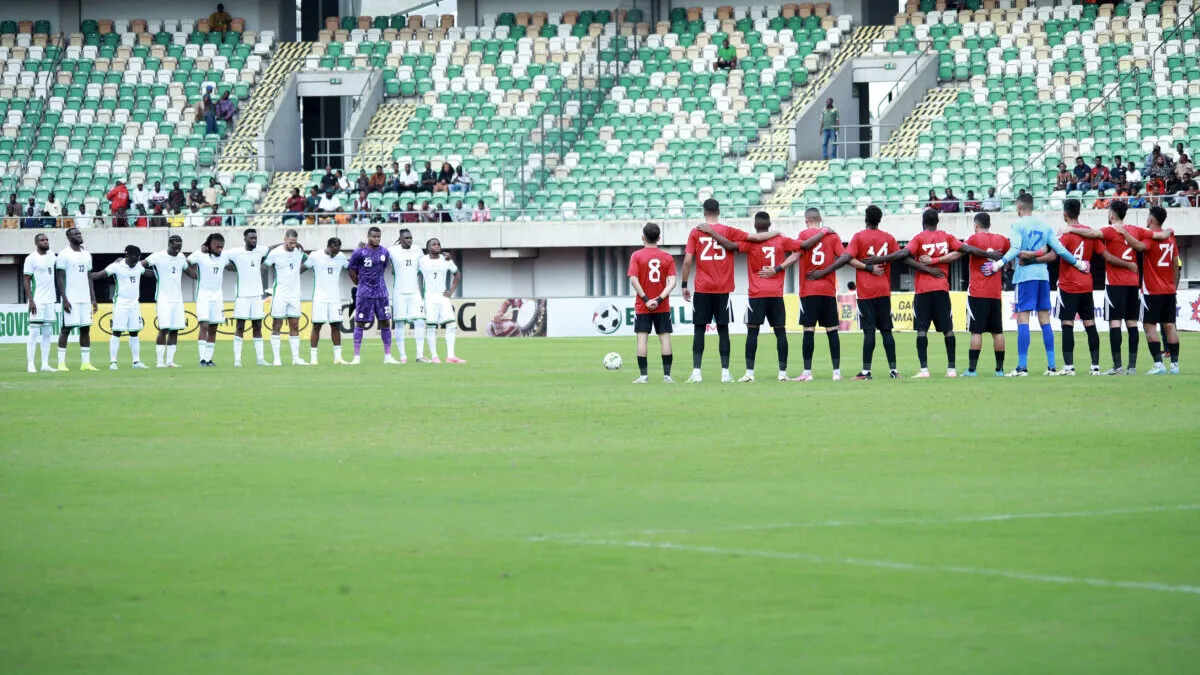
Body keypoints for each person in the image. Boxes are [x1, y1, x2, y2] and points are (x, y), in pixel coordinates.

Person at [986, 193, 1086, 376]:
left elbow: (1015, 249)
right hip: (1043, 276)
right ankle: (1052, 366)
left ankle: (1022, 367)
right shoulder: (1045, 226)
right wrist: (1078, 263)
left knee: (1022, 319)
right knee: (1045, 320)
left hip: (1025, 277)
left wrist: (997, 264)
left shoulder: (1017, 225)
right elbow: (1060, 250)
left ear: (1019, 206)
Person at [1064, 201, 1168, 374]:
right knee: (1132, 324)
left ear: (1112, 215)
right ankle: (1132, 367)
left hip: (1115, 283)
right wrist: (1169, 231)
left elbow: (1091, 233)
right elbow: (1159, 235)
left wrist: (1071, 229)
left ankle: (1117, 366)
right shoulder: (1135, 229)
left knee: (1115, 324)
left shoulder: (1109, 230)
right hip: (1133, 283)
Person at [866, 209, 958, 378]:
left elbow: (903, 254)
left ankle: (924, 370)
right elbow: (963, 249)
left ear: (923, 222)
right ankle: (951, 369)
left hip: (923, 291)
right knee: (948, 330)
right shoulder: (947, 237)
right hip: (942, 288)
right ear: (937, 222)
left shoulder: (919, 238)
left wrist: (878, 259)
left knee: (922, 329)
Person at [679, 198, 757, 383]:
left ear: (704, 212)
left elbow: (688, 260)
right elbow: (752, 238)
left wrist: (684, 284)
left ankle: (697, 373)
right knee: (723, 330)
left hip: (703, 288)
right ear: (719, 212)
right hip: (723, 288)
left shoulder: (696, 231)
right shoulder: (728, 231)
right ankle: (725, 373)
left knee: (699, 329)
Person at [714, 212, 799, 382]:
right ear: (769, 225)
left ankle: (749, 374)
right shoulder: (782, 240)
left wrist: (712, 233)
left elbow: (730, 246)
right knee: (780, 332)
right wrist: (779, 268)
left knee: (752, 332)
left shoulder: (750, 243)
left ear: (755, 225)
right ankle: (782, 373)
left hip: (757, 293)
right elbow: (799, 251)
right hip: (776, 293)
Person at [776, 208, 849, 381]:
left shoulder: (804, 234)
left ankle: (807, 372)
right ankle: (836, 372)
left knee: (808, 330)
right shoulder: (832, 236)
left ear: (806, 220)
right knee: (832, 331)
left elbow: (795, 256)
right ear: (820, 219)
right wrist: (826, 271)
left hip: (809, 290)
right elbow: (844, 257)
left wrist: (778, 268)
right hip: (828, 290)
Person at [1045, 199, 1105, 375]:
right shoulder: (1089, 233)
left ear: (1065, 214)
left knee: (1067, 324)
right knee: (1090, 324)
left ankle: (1069, 367)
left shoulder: (1065, 234)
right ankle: (1095, 367)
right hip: (1086, 284)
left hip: (1068, 286)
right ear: (1079, 212)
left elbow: (1054, 254)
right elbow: (1102, 253)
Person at [844, 205, 902, 379]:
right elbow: (899, 256)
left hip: (866, 292)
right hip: (884, 290)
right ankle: (893, 371)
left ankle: (866, 372)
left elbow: (849, 259)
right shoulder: (888, 238)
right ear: (879, 219)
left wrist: (868, 267)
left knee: (869, 332)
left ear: (865, 218)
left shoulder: (859, 237)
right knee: (886, 331)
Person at [958, 213, 1009, 376]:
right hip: (995, 293)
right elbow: (1010, 255)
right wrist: (1003, 266)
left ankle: (972, 370)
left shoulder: (973, 239)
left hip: (978, 292)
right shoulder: (1001, 240)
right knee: (998, 332)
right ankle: (999, 370)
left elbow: (961, 249)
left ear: (976, 225)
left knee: (976, 332)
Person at [628, 222, 677, 383]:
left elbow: (633, 279)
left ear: (643, 237)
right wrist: (659, 299)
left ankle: (643, 376)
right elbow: (672, 282)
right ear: (659, 238)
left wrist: (647, 300)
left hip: (643, 306)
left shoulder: (636, 256)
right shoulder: (667, 257)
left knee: (642, 338)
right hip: (662, 306)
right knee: (665, 338)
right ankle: (667, 376)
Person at [92, 245, 148, 370]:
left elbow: (147, 273)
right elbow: (100, 275)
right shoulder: (116, 266)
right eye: (133, 259)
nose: (135, 262)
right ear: (126, 256)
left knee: (134, 333)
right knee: (116, 332)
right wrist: (85, 276)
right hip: (121, 305)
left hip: (134, 305)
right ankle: (113, 362)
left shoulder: (138, 266)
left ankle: (136, 362)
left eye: (137, 259)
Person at [1139, 206, 1180, 375]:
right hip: (1169, 290)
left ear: (1151, 220)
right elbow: (1175, 264)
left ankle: (1158, 364)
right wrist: (1173, 287)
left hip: (1152, 291)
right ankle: (1175, 365)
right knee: (1170, 326)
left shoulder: (1149, 239)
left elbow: (1137, 246)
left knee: (1149, 326)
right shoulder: (1171, 239)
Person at [347, 226, 397, 364]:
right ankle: (356, 357)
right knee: (360, 322)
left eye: (378, 237)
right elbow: (351, 269)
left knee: (385, 321)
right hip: (364, 293)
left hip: (381, 292)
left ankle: (388, 356)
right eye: (374, 236)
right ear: (368, 236)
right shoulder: (360, 252)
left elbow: (383, 267)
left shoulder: (384, 252)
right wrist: (358, 283)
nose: (376, 239)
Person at [54, 227, 97, 371]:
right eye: (75, 234)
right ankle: (61, 363)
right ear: (69, 237)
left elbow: (89, 276)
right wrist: (64, 298)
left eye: (79, 233)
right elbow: (59, 277)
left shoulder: (87, 254)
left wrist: (93, 299)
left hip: (85, 298)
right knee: (66, 329)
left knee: (85, 329)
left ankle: (85, 363)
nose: (79, 235)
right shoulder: (64, 254)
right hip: (71, 298)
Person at [226, 229, 270, 367]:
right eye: (251, 238)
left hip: (256, 295)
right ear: (244, 239)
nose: (254, 240)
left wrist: (287, 243)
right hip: (242, 296)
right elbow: (221, 256)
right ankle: (237, 360)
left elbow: (272, 248)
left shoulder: (261, 250)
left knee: (257, 327)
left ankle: (260, 359)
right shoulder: (235, 252)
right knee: (240, 327)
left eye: (255, 238)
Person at [264, 229, 309, 366]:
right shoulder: (275, 253)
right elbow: (264, 267)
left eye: (295, 243)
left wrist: (298, 271)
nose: (293, 245)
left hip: (295, 294)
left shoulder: (299, 251)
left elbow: (308, 262)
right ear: (285, 239)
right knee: (276, 325)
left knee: (295, 325)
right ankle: (276, 359)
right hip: (280, 294)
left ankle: (296, 358)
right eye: (290, 243)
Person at [142, 235, 187, 367]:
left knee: (175, 330)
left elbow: (190, 272)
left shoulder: (181, 257)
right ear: (169, 244)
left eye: (179, 247)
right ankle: (160, 362)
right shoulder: (157, 256)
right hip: (163, 299)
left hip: (178, 300)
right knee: (164, 329)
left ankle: (170, 361)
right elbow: (141, 265)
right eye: (175, 246)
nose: (177, 249)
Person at [418, 238, 464, 364]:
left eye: (438, 244)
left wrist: (451, 291)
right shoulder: (422, 261)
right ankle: (434, 356)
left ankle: (451, 356)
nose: (437, 246)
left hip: (443, 297)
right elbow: (414, 274)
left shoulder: (446, 259)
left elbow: (457, 274)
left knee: (452, 325)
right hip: (430, 298)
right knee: (431, 327)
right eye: (434, 244)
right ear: (428, 248)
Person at [187, 232, 230, 366]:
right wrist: (193, 274)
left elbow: (233, 265)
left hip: (218, 296)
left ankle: (209, 359)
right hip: (203, 296)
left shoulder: (224, 257)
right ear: (210, 245)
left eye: (222, 247)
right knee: (204, 326)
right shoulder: (199, 254)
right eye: (217, 247)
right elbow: (185, 263)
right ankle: (202, 359)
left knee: (213, 327)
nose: (220, 249)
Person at [305, 238, 349, 365]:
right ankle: (313, 359)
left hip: (335, 298)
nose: (336, 253)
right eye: (334, 249)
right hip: (319, 298)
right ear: (329, 246)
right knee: (317, 326)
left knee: (336, 326)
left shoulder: (341, 257)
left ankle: (338, 358)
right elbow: (303, 267)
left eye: (338, 249)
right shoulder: (315, 255)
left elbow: (349, 267)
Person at [388, 228, 428, 363]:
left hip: (415, 292)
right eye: (406, 238)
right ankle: (403, 356)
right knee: (399, 324)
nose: (409, 240)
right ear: (400, 239)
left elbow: (424, 267)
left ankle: (420, 355)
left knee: (420, 322)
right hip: (399, 292)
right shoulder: (392, 250)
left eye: (410, 237)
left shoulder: (417, 250)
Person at [22, 233, 57, 373]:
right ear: (36, 243)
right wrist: (31, 300)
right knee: (34, 332)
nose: (45, 241)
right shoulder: (30, 258)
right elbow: (26, 280)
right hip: (37, 300)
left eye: (47, 239)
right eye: (42, 240)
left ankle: (45, 364)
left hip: (50, 300)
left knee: (48, 333)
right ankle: (30, 364)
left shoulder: (52, 256)